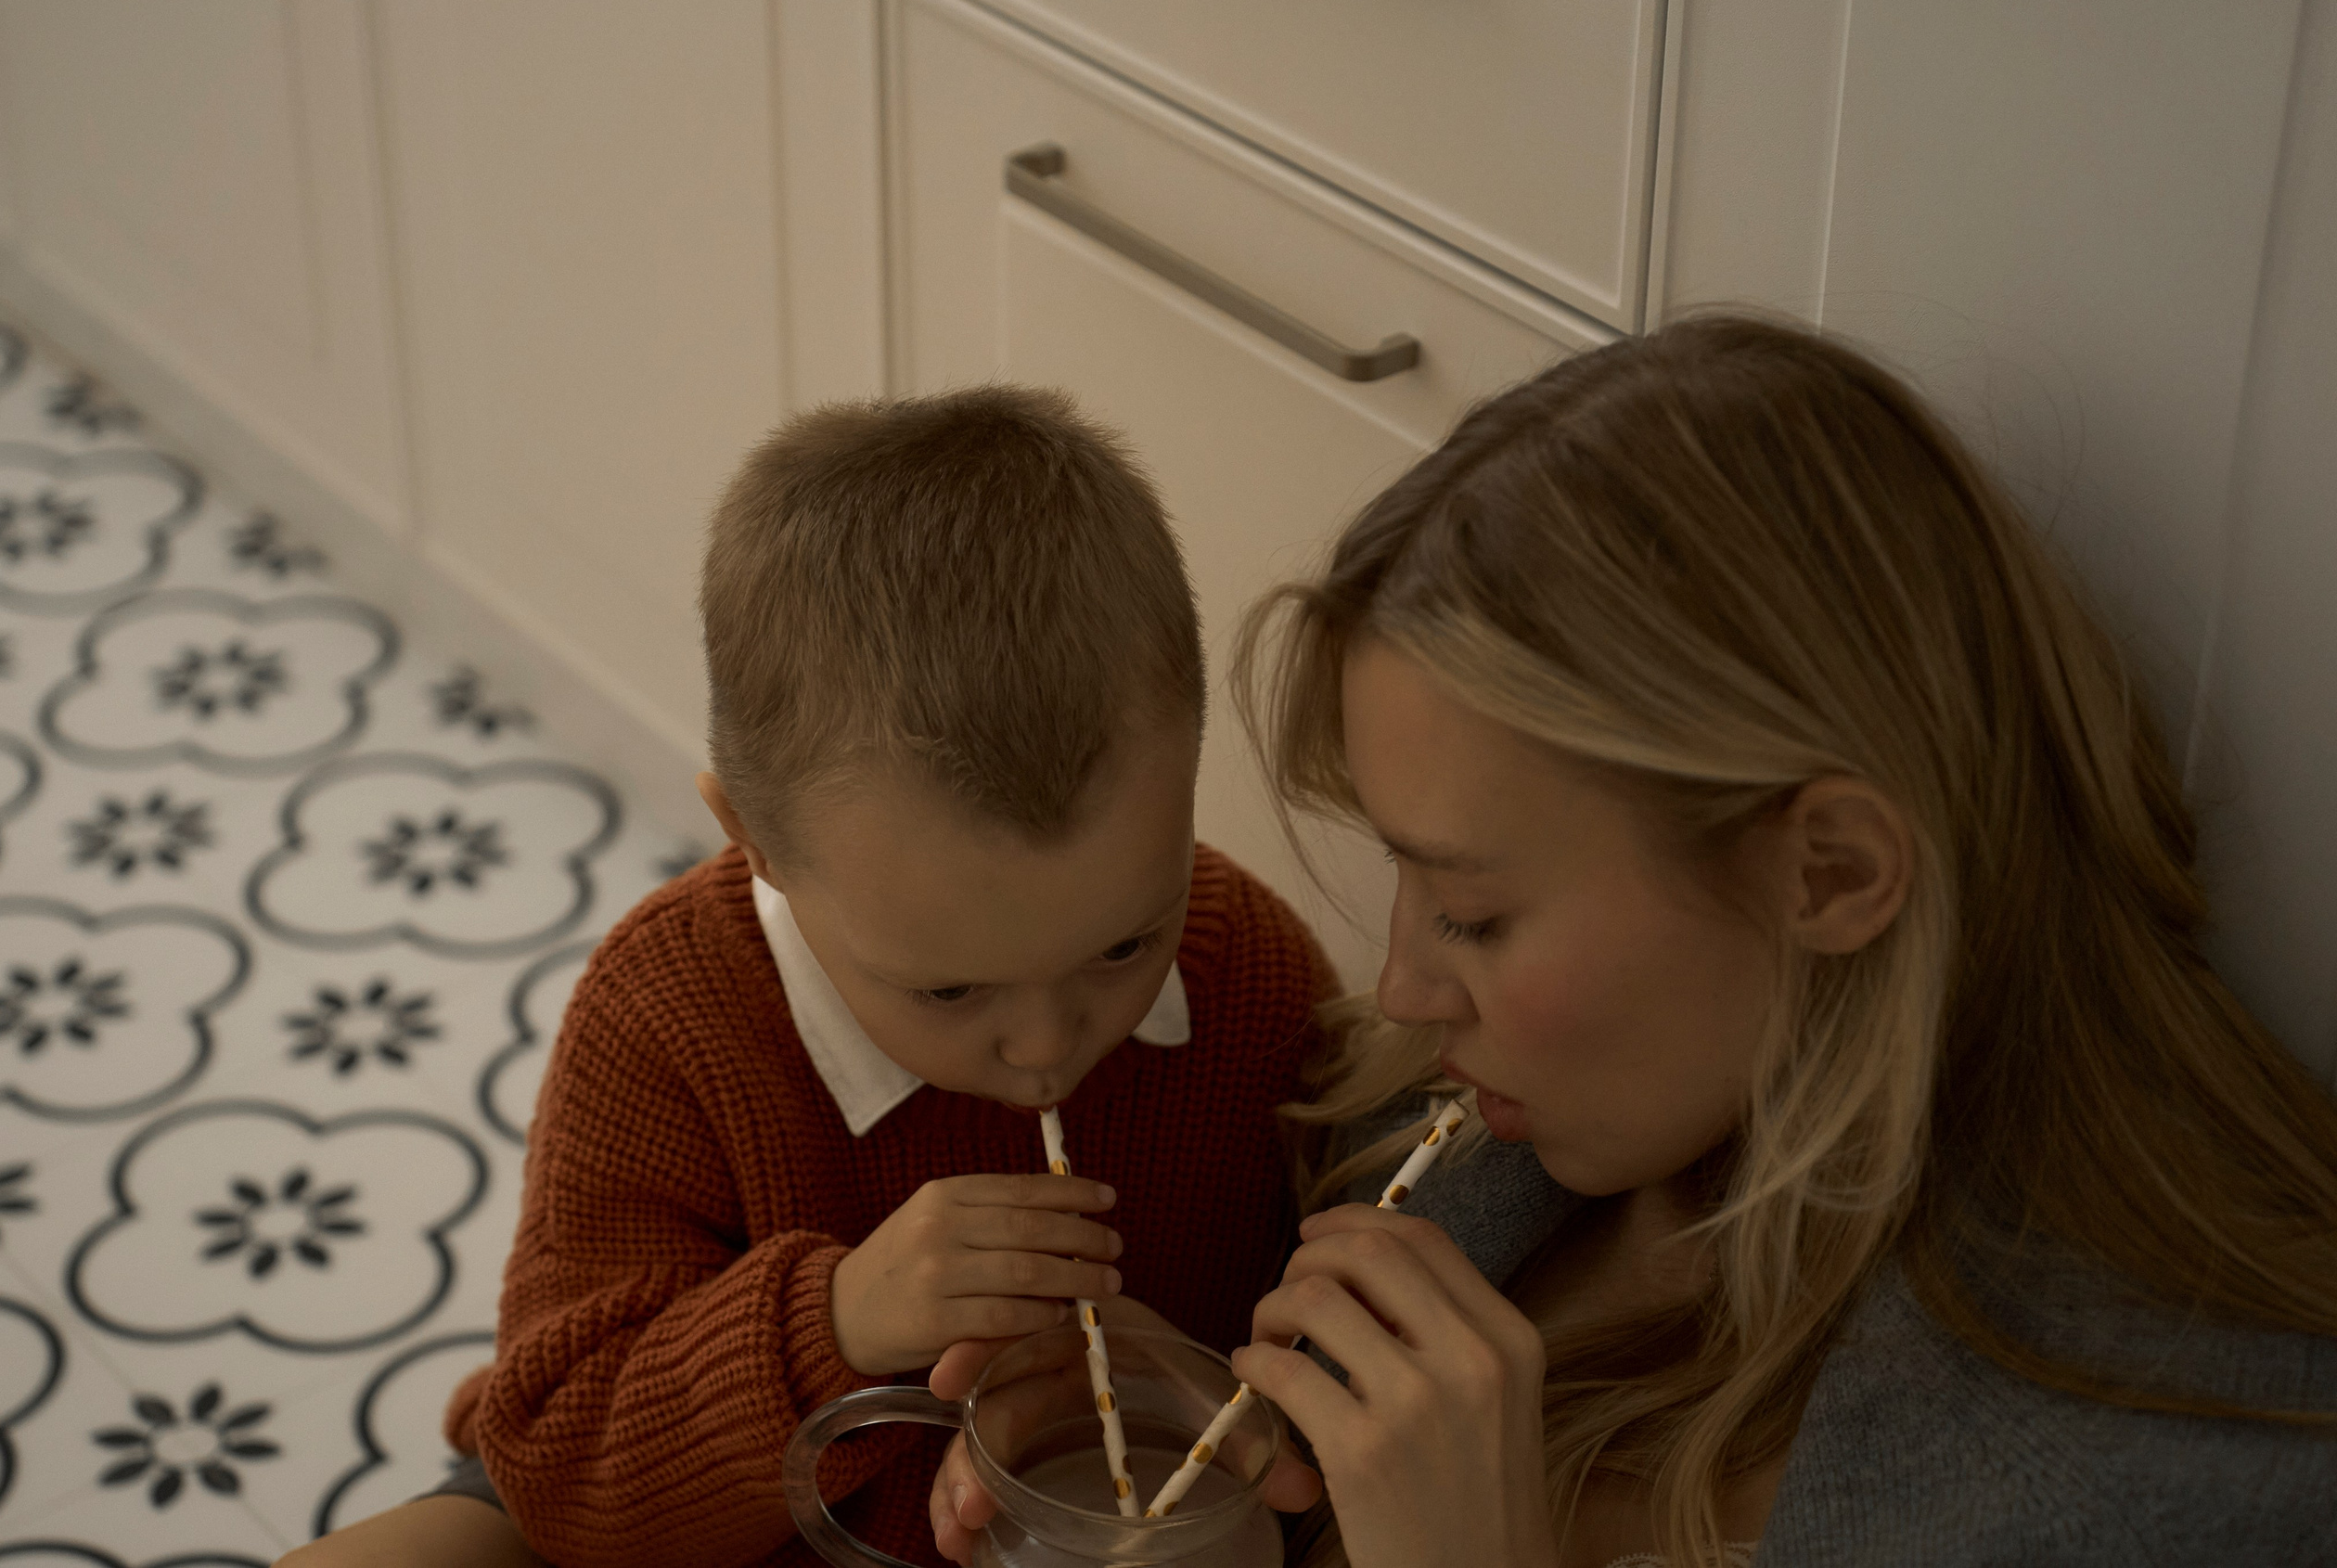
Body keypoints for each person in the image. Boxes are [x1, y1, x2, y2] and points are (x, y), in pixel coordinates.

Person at [931, 315, 2337, 1567]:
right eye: (1405, 881)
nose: (1404, 983)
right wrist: (1222, 1449)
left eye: (1475, 912)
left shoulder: (2194, 1483)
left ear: (1833, 871)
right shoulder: (1491, 1141)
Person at [280, 386, 1334, 1567]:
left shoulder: (1250, 967)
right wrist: (835, 1322)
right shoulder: (668, 1016)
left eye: (1122, 947)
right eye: (948, 993)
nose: (1044, 1044)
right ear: (757, 845)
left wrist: (1183, 1382)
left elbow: (1335, 1337)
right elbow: (561, 1472)